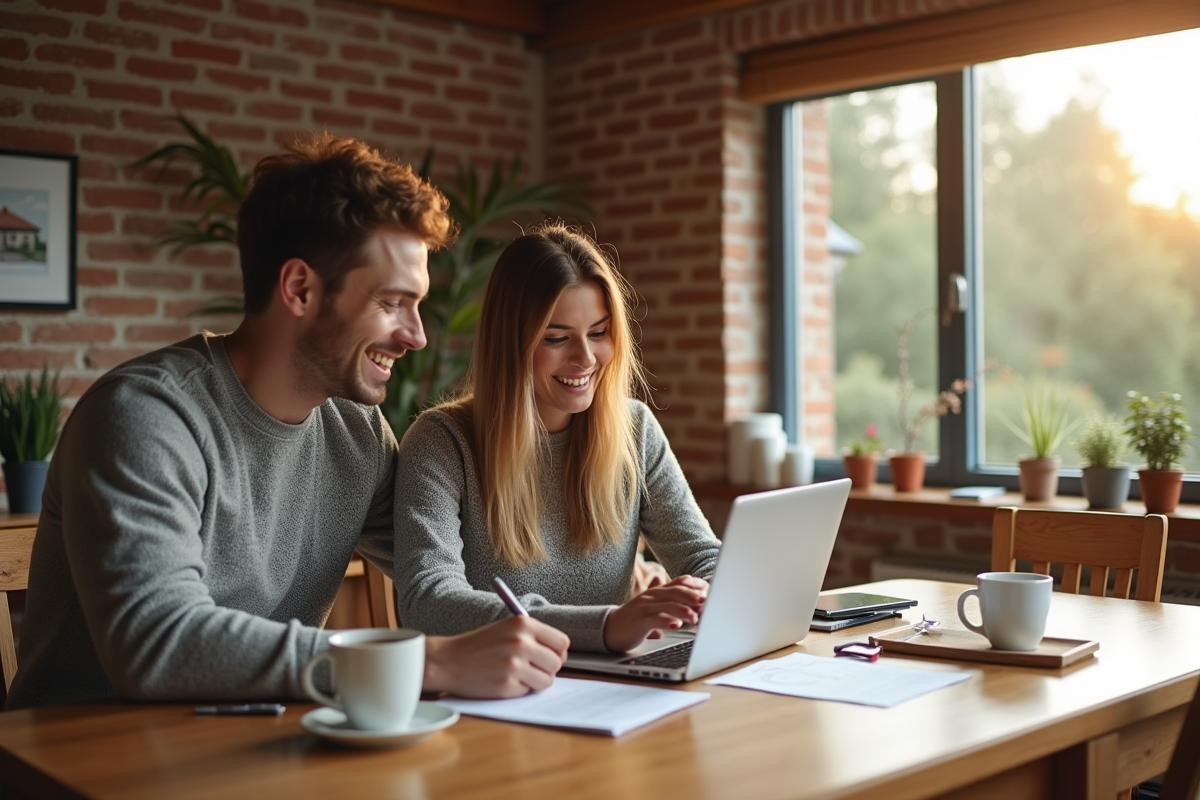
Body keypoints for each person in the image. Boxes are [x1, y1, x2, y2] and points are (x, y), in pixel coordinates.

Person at [7, 134, 569, 710]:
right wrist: (426, 662)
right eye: (392, 303)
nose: (417, 335)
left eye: (419, 305)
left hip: (263, 750)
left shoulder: (357, 433)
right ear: (299, 288)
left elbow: (460, 571)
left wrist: (621, 595)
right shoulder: (145, 416)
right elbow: (158, 641)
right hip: (80, 765)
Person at [393, 223, 720, 654]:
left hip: (617, 690)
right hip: (498, 694)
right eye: (556, 338)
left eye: (599, 333)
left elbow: (703, 557)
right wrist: (603, 627)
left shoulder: (634, 430)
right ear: (511, 343)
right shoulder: (443, 443)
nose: (585, 358)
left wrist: (710, 593)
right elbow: (428, 603)